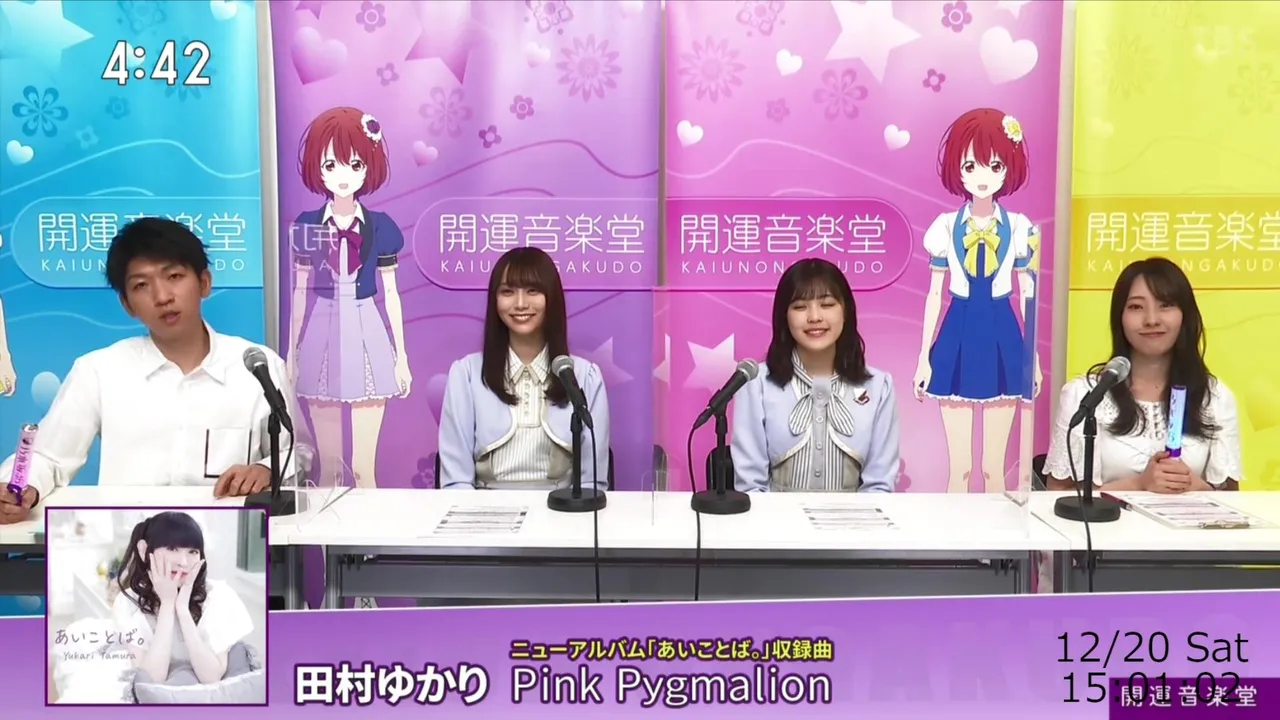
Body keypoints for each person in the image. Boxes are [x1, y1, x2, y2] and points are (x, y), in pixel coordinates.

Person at [0, 218, 300, 525]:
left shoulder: (256, 366)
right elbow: (47, 457)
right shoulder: (99, 370)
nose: (162, 297)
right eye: (141, 285)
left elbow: (297, 453)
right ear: (127, 304)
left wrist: (266, 470)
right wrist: (19, 488)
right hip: (125, 540)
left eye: (174, 276)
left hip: (229, 538)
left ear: (204, 282)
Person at [912, 108, 1043, 494]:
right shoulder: (944, 227)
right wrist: (923, 357)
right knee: (961, 470)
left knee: (992, 470)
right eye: (971, 165)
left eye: (995, 165)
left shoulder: (1020, 227)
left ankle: (997, 536)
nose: (982, 176)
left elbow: (1028, 294)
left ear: (1008, 168)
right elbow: (934, 294)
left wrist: (1033, 357)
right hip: (958, 331)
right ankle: (954, 536)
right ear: (958, 169)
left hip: (1004, 334)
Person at [287, 106, 412, 489]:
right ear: (318, 169)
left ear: (368, 167)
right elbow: (300, 291)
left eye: (354, 164)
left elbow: (391, 293)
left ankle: (369, 533)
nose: (343, 176)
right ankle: (328, 535)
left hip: (366, 324)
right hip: (321, 328)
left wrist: (401, 357)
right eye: (331, 165)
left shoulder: (382, 227)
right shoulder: (307, 224)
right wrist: (291, 354)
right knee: (328, 471)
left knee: (363, 471)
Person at [1043, 258, 1242, 492]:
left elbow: (1231, 500)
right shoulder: (1084, 394)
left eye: (1166, 305)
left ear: (1185, 315)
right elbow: (1057, 495)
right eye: (1136, 307)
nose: (1151, 320)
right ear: (1120, 317)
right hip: (1110, 518)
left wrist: (1193, 485)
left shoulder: (1215, 396)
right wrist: (1139, 484)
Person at [436, 247, 610, 490]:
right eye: (507, 292)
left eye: (532, 291)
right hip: (482, 511)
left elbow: (592, 483)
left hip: (562, 510)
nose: (520, 304)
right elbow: (456, 483)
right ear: (495, 300)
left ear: (551, 298)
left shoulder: (585, 376)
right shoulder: (466, 375)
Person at [731, 258, 901, 493]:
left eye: (827, 304)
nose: (814, 317)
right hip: (773, 517)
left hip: (857, 517)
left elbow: (880, 486)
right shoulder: (756, 383)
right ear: (784, 316)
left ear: (846, 311)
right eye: (800, 307)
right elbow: (750, 486)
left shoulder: (879, 386)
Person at [113, 512, 254, 684]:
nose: (184, 562)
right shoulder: (128, 602)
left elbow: (211, 677)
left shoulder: (218, 596)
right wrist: (167, 605)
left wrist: (182, 610)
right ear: (144, 550)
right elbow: (149, 681)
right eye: (172, 549)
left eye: (193, 551)